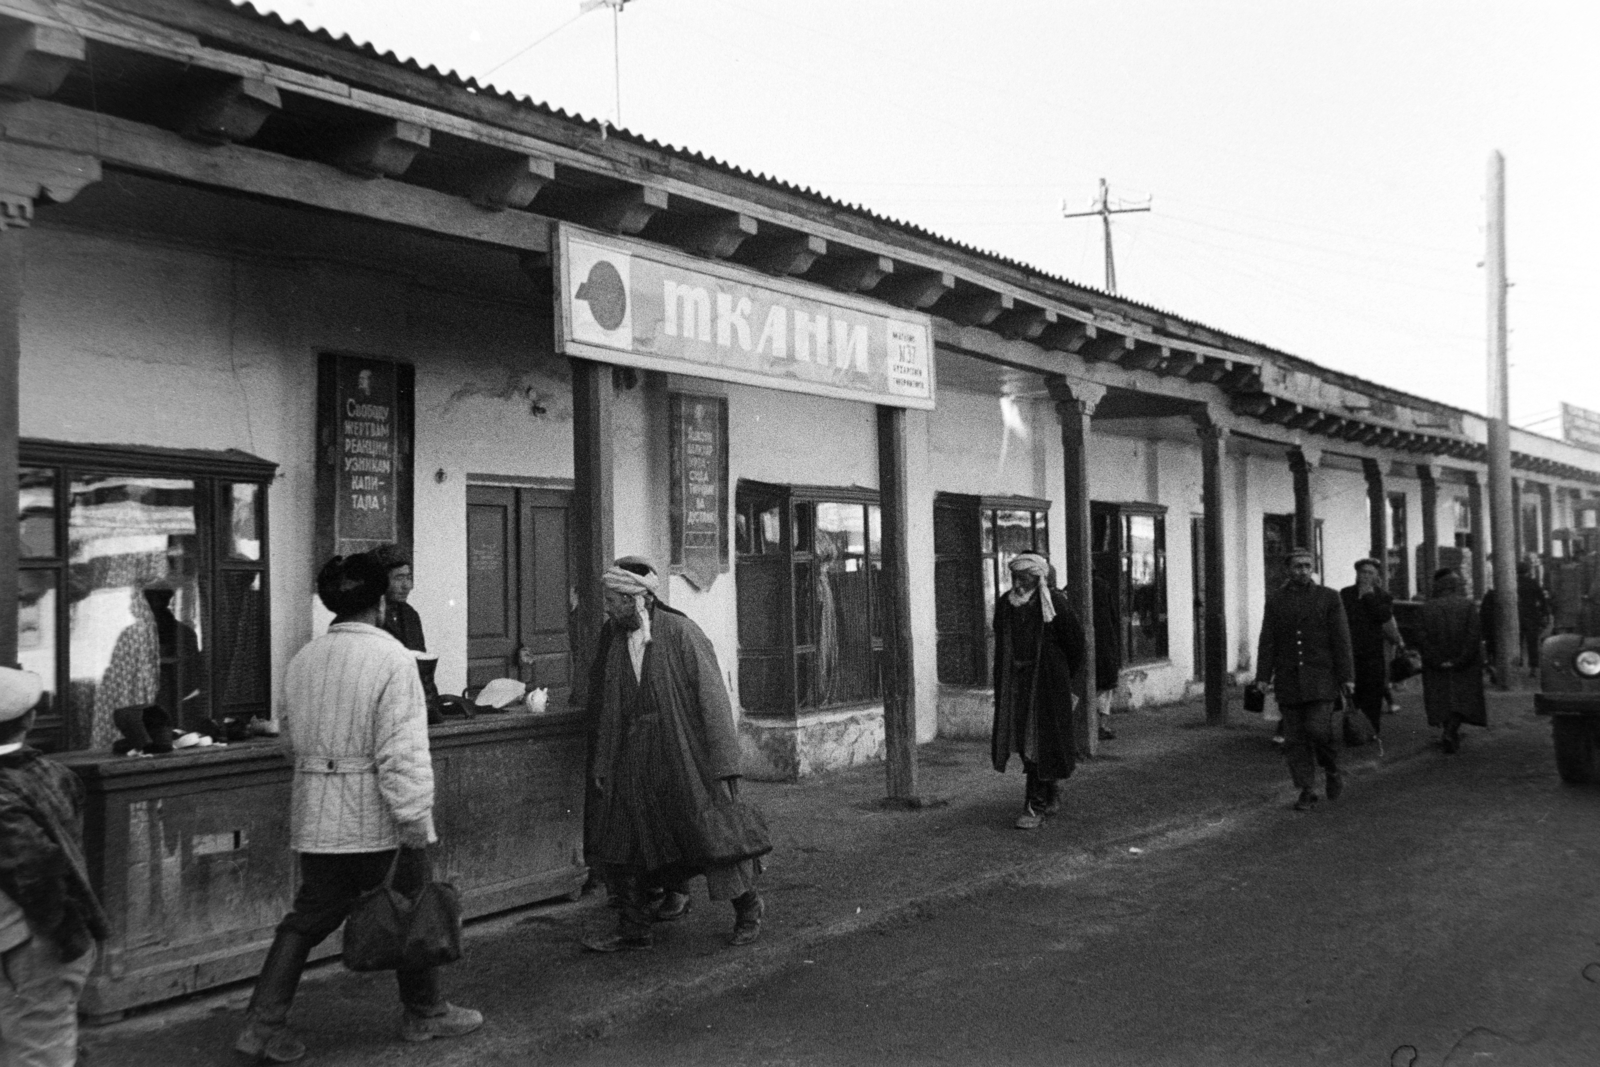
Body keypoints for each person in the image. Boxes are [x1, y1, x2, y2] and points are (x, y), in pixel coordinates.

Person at [234, 553, 481, 1063]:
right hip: (379, 818)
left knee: (306, 919)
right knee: (412, 908)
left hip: (318, 819)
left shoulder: (303, 660)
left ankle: (261, 1024)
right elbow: (402, 751)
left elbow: (291, 745)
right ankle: (426, 1013)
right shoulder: (392, 659)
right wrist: (414, 817)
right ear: (379, 603)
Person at [584, 557, 769, 952]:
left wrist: (724, 765)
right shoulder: (617, 641)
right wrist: (603, 763)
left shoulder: (682, 633)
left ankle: (749, 908)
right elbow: (612, 711)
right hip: (635, 757)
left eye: (614, 599)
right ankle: (634, 928)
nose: (608, 607)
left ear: (638, 599)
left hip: (683, 752)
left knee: (711, 834)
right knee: (627, 836)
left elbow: (714, 702)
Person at [0, 666, 108, 1067]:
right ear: (29, 719)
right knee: (40, 1048)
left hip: (14, 938)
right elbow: (38, 866)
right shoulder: (51, 774)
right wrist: (69, 936)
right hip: (29, 941)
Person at [1253, 546, 1354, 812]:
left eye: (1307, 566)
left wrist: (1346, 676)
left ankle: (1331, 769)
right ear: (1288, 569)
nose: (1303, 571)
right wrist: (1262, 676)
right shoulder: (1276, 600)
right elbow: (1268, 641)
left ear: (1313, 568)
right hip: (1288, 679)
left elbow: (1341, 641)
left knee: (1318, 730)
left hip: (1321, 678)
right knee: (1295, 739)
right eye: (1297, 566)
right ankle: (1307, 790)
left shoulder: (1329, 598)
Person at [991, 552, 1086, 830]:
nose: (1018, 584)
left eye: (1024, 579)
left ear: (1038, 578)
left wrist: (1058, 678)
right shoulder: (1005, 605)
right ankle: (1051, 789)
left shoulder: (1055, 604)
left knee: (1039, 744)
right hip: (1016, 685)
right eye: (1015, 578)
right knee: (1023, 742)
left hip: (1046, 687)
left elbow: (1076, 645)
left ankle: (1035, 807)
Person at [1418, 568, 1488, 753]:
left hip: (1436, 664)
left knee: (1442, 699)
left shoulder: (1427, 607)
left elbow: (1422, 638)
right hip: (1464, 664)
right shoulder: (1467, 605)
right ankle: (1451, 732)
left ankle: (1448, 731)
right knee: (1463, 699)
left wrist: (1436, 660)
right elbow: (1473, 635)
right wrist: (1460, 660)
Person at [1339, 558, 1407, 739]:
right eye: (1363, 572)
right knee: (1353, 693)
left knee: (1373, 692)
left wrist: (1369, 597)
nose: (1366, 576)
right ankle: (1354, 729)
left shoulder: (1383, 596)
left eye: (1370, 573)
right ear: (1357, 574)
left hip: (1373, 653)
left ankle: (1372, 730)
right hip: (1351, 651)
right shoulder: (1346, 594)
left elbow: (1383, 616)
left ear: (1376, 576)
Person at [373, 543, 438, 706]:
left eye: (408, 577)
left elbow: (422, 667)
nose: (407, 586)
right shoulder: (367, 616)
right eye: (399, 578)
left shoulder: (410, 615)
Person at [1091, 574, 1121, 742]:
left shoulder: (1070, 588)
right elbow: (1114, 617)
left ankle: (1094, 723)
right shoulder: (1104, 586)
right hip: (1105, 644)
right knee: (1105, 687)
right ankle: (1101, 724)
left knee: (1096, 687)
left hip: (1093, 645)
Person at [1516, 559, 1551, 676]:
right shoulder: (1532, 582)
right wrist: (1545, 613)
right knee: (1532, 643)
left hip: (1516, 616)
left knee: (1517, 642)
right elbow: (1542, 599)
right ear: (1528, 571)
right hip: (1531, 615)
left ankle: (1517, 665)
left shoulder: (1512, 583)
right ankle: (1533, 668)